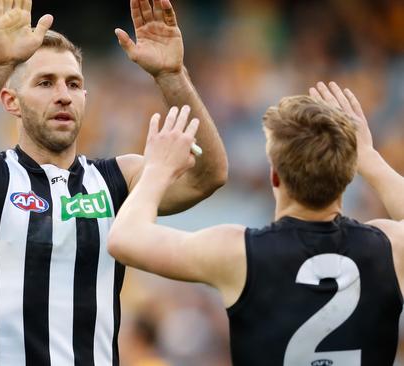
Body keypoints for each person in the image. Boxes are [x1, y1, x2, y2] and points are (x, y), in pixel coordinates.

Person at [0, 0, 228, 364]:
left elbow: (208, 176)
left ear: (84, 98)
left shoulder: (117, 178)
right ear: (11, 101)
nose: (63, 94)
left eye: (74, 83)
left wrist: (172, 74)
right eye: (45, 83)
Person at [108, 81, 404, 365]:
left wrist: (157, 170)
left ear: (274, 176)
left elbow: (125, 238)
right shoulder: (390, 246)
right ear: (349, 174)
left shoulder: (238, 252)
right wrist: (368, 156)